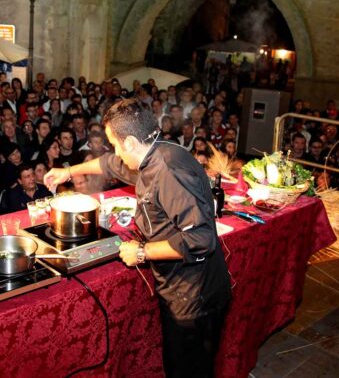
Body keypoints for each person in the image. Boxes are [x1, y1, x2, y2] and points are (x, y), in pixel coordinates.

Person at [45, 98, 231, 377]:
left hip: (195, 297)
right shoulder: (154, 152)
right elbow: (109, 165)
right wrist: (69, 171)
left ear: (131, 142)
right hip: (183, 290)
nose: (115, 151)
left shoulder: (168, 170)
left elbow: (201, 238)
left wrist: (142, 252)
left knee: (188, 370)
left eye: (116, 144)